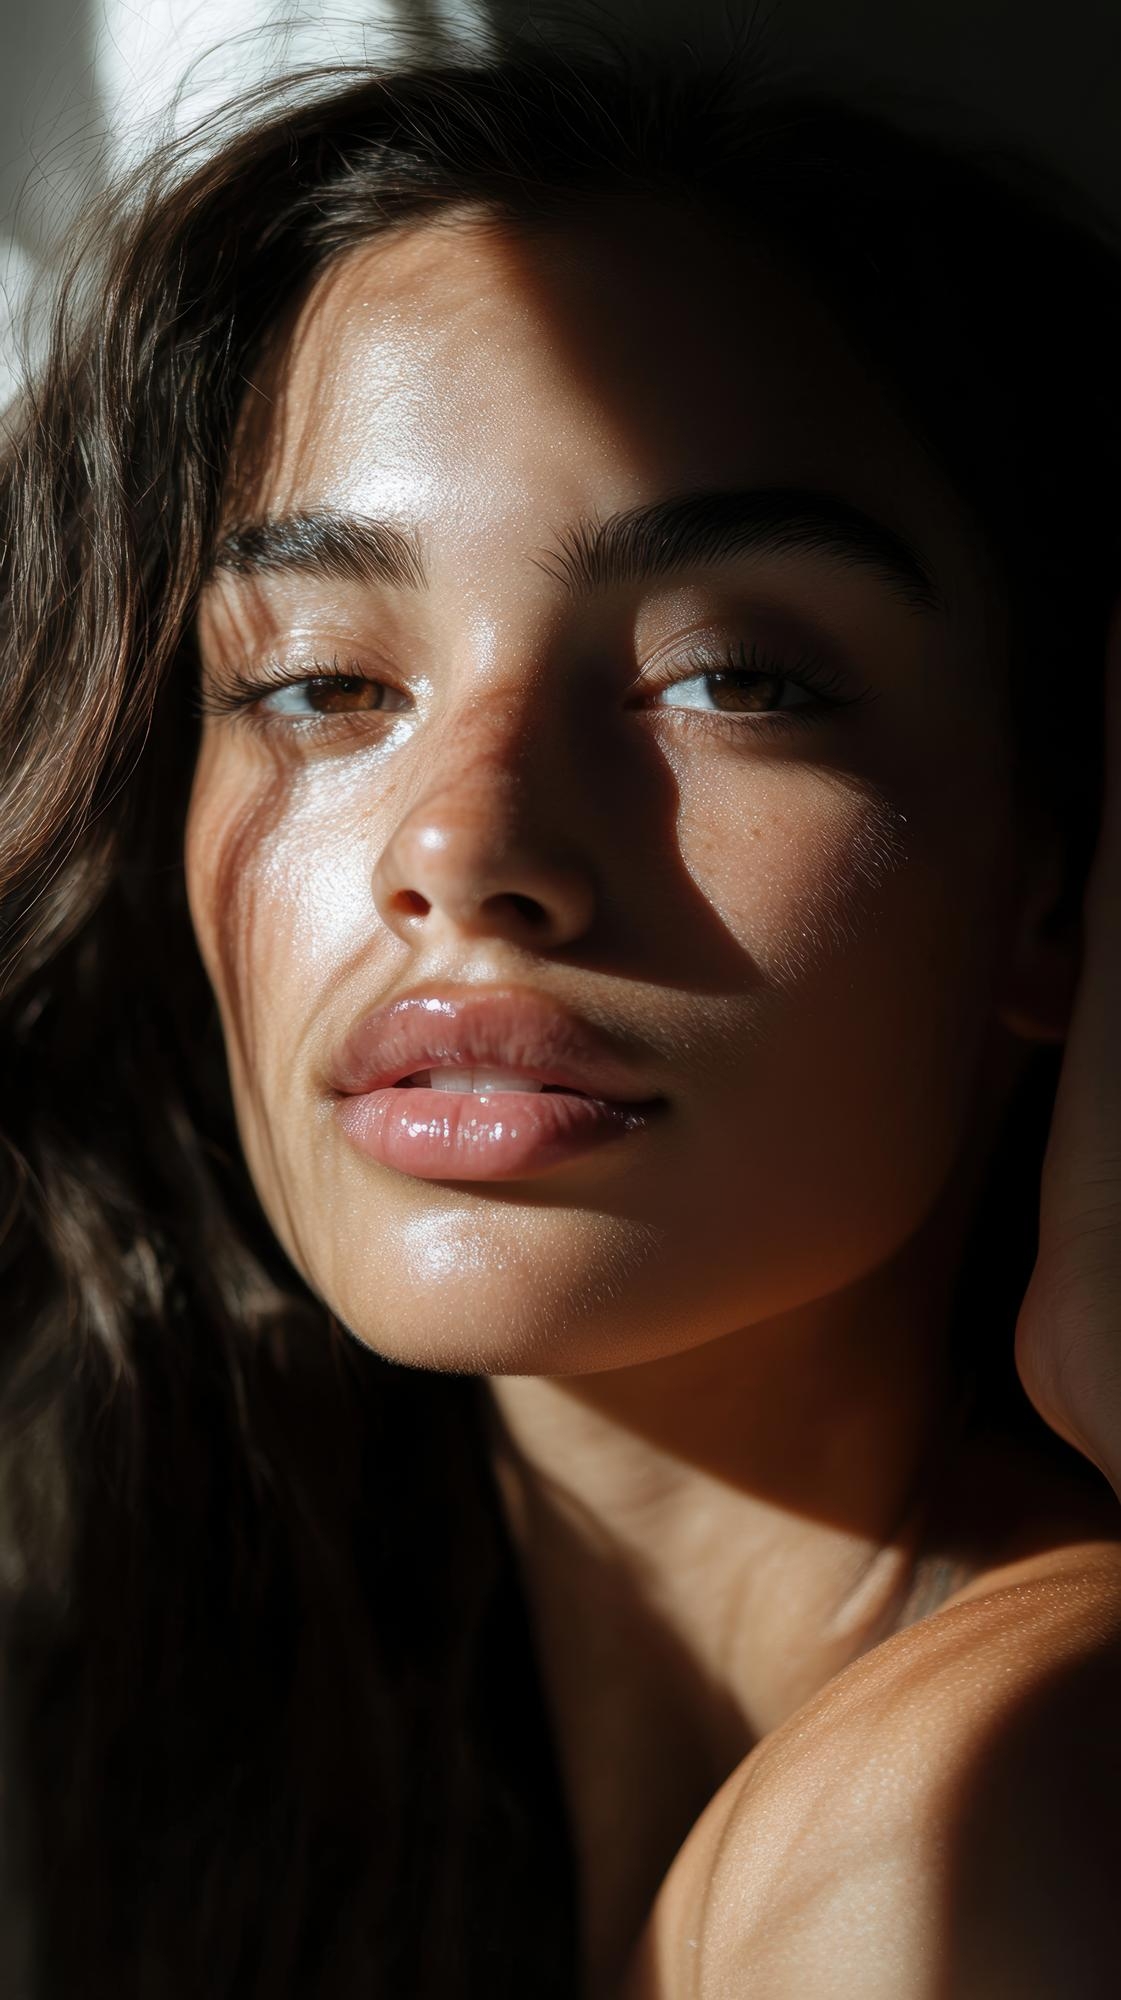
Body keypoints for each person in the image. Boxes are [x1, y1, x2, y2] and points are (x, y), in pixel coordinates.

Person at [2, 26, 1121, 1999]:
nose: (467, 842)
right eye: (328, 684)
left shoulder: (990, 1820)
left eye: (737, 675)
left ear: (1052, 862)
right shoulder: (276, 1780)